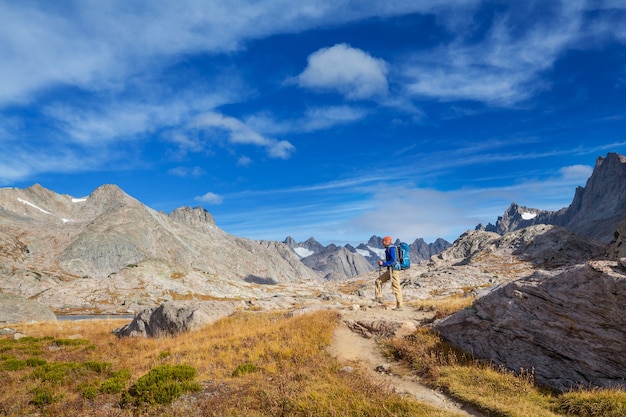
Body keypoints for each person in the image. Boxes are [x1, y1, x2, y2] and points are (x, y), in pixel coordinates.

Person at [375, 235, 404, 310]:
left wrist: (383, 264)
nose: (382, 243)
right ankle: (379, 298)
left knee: (396, 287)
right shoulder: (388, 249)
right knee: (378, 281)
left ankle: (399, 305)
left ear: (387, 242)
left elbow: (393, 260)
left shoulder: (392, 248)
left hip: (394, 270)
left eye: (383, 241)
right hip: (390, 270)